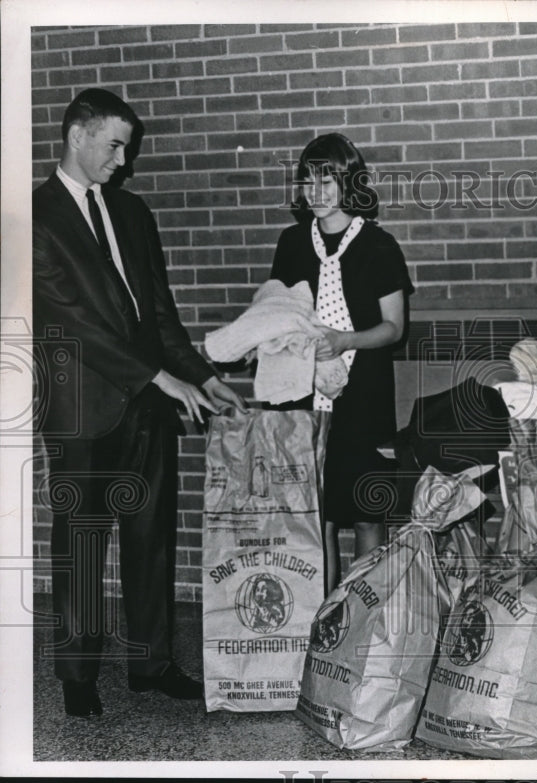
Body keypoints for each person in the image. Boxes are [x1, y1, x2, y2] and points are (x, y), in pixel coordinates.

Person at [33, 88, 246, 717]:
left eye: (126, 148)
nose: (123, 161)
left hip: (149, 404)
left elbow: (158, 313)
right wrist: (159, 378)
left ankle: (151, 664)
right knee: (82, 540)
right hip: (82, 409)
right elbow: (71, 321)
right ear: (77, 136)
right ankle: (77, 675)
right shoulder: (31, 216)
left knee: (150, 537)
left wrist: (200, 376)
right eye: (114, 145)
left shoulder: (134, 213)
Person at [269, 132, 413, 589]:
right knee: (317, 516)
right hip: (304, 395)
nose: (317, 192)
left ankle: (359, 623)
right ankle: (317, 620)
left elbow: (394, 327)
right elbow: (279, 315)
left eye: (327, 180)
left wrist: (344, 339)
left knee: (368, 512)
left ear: (349, 182)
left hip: (363, 396)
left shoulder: (379, 246)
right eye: (308, 180)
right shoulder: (291, 244)